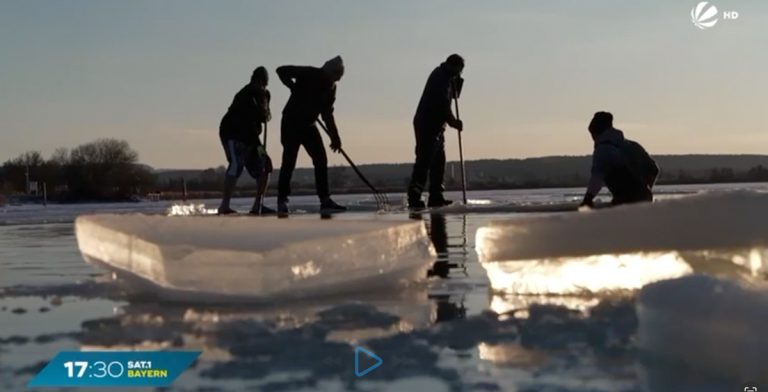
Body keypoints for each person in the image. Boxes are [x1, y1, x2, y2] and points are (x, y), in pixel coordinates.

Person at [276, 56, 347, 213]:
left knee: (321, 159)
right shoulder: (309, 73)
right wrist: (292, 86)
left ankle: (325, 199)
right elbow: (281, 71)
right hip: (291, 122)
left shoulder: (332, 88)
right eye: (335, 77)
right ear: (327, 72)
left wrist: (335, 136)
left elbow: (327, 113)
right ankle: (282, 199)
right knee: (289, 161)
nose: (336, 81)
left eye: (338, 78)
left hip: (309, 125)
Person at [407, 54, 465, 209]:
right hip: (427, 124)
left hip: (437, 126)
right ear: (453, 66)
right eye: (459, 70)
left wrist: (457, 81)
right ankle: (414, 196)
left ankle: (436, 196)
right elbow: (442, 105)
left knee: (439, 161)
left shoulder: (448, 78)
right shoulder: (440, 78)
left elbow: (455, 96)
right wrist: (453, 122)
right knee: (424, 160)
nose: (459, 73)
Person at [217, 66, 274, 215]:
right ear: (257, 81)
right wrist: (261, 150)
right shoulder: (246, 96)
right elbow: (249, 128)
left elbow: (261, 121)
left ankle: (258, 204)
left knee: (265, 167)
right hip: (233, 133)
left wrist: (262, 153)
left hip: (250, 137)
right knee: (236, 165)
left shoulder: (263, 95)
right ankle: (224, 205)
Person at [580, 111, 659, 208]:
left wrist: (587, 199)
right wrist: (644, 191)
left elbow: (597, 178)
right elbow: (653, 169)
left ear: (595, 133)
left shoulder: (603, 150)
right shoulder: (633, 146)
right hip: (645, 201)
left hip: (625, 203)